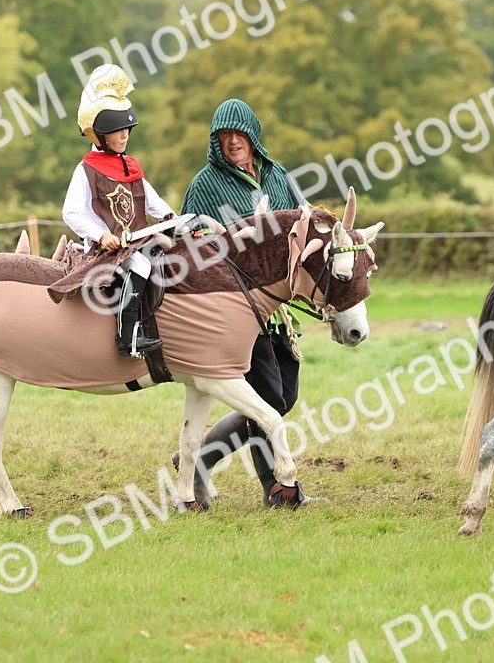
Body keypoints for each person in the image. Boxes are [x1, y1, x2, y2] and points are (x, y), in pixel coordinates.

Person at [179, 97, 320, 506]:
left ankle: (201, 459)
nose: (233, 141)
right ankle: (277, 488)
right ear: (215, 141)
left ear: (253, 136)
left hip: (278, 309)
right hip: (233, 309)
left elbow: (301, 221)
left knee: (285, 396)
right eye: (224, 136)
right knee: (268, 400)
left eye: (239, 134)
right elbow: (191, 243)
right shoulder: (206, 184)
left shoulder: (277, 175)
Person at [63, 64, 177, 358]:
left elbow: (153, 204)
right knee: (141, 266)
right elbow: (71, 213)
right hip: (107, 247)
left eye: (127, 128)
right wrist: (101, 235)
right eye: (117, 130)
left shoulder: (131, 166)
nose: (125, 135)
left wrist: (176, 221)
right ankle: (128, 337)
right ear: (100, 135)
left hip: (136, 241)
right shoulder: (86, 169)